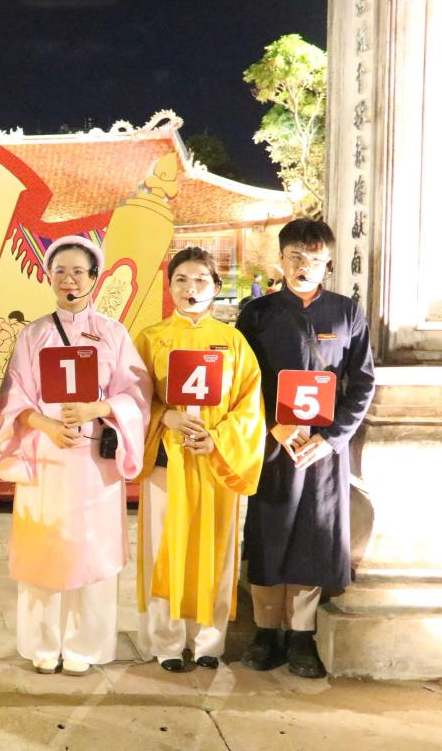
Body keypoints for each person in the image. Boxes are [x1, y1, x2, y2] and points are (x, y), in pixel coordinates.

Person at [0, 236, 150, 675]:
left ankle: (85, 644)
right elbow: (12, 398)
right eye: (60, 271)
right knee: (46, 547)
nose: (69, 280)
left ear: (94, 279)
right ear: (48, 278)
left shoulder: (114, 334)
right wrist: (44, 425)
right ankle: (43, 642)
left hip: (94, 460)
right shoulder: (33, 334)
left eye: (79, 271)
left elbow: (136, 396)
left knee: (91, 550)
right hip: (47, 456)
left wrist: (101, 408)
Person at [235, 219, 375, 678]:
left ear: (328, 263)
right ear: (281, 259)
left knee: (311, 539)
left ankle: (300, 636)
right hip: (274, 447)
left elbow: (362, 382)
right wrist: (271, 426)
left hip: (321, 450)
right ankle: (264, 632)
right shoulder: (256, 314)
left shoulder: (347, 313)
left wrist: (333, 439)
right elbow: (240, 383)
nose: (304, 266)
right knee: (268, 534)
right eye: (296, 257)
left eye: (314, 259)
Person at [133, 247, 265, 672]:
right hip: (166, 461)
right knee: (164, 550)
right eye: (182, 281)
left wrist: (218, 439)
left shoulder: (233, 342)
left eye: (201, 281)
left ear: (216, 287)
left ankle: (209, 642)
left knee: (216, 549)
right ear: (168, 286)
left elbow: (249, 407)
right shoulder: (151, 338)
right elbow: (132, 398)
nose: (191, 289)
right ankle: (167, 641)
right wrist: (164, 415)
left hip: (214, 461)